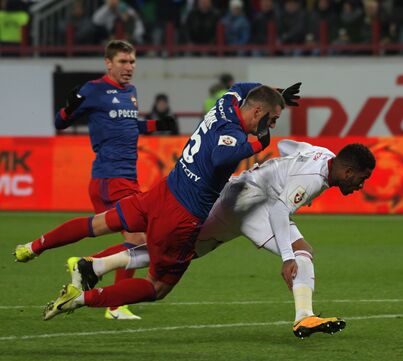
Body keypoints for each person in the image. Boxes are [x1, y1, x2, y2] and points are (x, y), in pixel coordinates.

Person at [15, 82, 301, 321]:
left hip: (160, 193)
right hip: (181, 216)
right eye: (271, 119)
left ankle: (33, 247)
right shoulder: (234, 135)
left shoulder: (227, 102)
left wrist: (275, 92)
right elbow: (220, 158)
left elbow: (242, 88)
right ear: (257, 111)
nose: (271, 125)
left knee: (98, 223)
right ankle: (80, 299)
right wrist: (259, 143)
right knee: (158, 286)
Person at [67, 139, 376, 337]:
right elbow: (281, 212)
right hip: (251, 203)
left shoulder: (320, 154)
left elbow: (288, 147)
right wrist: (286, 259)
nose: (361, 186)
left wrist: (278, 170)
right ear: (349, 172)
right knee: (300, 250)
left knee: (183, 250)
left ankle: (95, 266)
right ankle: (304, 316)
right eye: (362, 179)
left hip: (237, 193)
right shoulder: (312, 179)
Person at [13, 39, 176, 320]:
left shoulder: (131, 92)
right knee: (139, 237)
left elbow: (127, 124)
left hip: (126, 178)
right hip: (110, 178)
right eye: (123, 62)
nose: (129, 67)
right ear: (108, 63)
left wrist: (155, 125)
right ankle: (104, 290)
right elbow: (60, 122)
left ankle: (38, 248)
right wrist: (68, 107)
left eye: (132, 62)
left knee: (107, 230)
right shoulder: (94, 90)